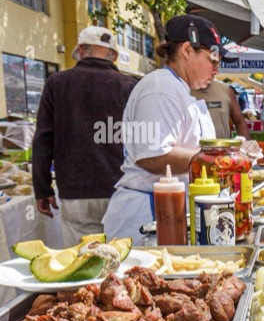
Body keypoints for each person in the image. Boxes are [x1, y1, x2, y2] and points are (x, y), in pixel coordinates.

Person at [102, 14, 234, 239]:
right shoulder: (160, 88)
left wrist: (228, 153)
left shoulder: (177, 87)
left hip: (167, 212)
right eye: (213, 60)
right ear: (187, 50)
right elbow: (154, 156)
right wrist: (219, 160)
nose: (216, 70)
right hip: (147, 216)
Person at [32, 26, 138, 246]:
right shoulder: (128, 86)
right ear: (114, 56)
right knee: (121, 257)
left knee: (81, 259)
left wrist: (42, 188)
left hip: (76, 191)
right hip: (120, 189)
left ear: (81, 50)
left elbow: (43, 138)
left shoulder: (57, 83)